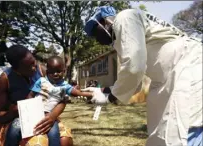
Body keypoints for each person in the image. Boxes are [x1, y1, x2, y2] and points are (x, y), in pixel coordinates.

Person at [83, 6, 202, 146]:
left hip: (187, 67)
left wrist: (109, 98)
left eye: (95, 32)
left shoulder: (125, 17)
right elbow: (134, 81)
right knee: (160, 136)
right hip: (168, 77)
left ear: (105, 21)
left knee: (180, 130)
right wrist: (104, 91)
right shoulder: (123, 39)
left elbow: (134, 69)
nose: (96, 39)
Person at [0, 45, 73, 146]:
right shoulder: (5, 79)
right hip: (17, 121)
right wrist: (13, 112)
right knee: (37, 143)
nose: (34, 68)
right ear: (16, 69)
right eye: (28, 67)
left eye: (33, 62)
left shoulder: (43, 71)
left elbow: (62, 98)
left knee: (65, 140)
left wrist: (52, 116)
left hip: (46, 117)